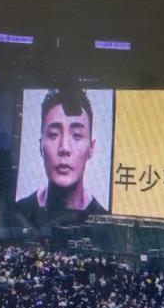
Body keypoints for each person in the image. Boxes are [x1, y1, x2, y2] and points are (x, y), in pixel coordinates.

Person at [15, 88, 106, 225]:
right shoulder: (18, 214)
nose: (64, 148)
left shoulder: (106, 222)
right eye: (53, 135)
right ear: (41, 145)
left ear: (91, 148)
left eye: (77, 135)